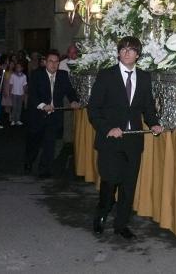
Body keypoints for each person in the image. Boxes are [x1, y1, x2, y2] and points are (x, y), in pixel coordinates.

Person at [88, 36, 162, 240]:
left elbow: (147, 107)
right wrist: (108, 128)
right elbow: (93, 109)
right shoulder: (106, 76)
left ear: (137, 54)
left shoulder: (145, 77)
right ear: (118, 52)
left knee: (128, 185)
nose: (126, 52)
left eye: (130, 50)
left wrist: (153, 123)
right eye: (123, 49)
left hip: (133, 140)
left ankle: (121, 224)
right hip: (110, 140)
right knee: (110, 182)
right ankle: (101, 214)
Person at [25, 49, 79, 178]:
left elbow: (70, 92)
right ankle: (28, 160)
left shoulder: (63, 75)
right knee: (34, 143)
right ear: (45, 62)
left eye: (56, 62)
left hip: (54, 116)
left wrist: (74, 101)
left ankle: (44, 170)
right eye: (51, 61)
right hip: (37, 115)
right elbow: (32, 94)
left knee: (50, 143)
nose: (53, 64)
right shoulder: (37, 74)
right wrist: (43, 106)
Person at [9, 61, 27, 126]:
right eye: (17, 67)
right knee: (14, 107)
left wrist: (24, 94)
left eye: (19, 67)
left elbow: (24, 85)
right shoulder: (13, 75)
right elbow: (11, 84)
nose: (18, 68)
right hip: (14, 93)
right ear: (15, 68)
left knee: (19, 107)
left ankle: (18, 119)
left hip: (21, 94)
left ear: (22, 68)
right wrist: (10, 93)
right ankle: (13, 120)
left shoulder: (24, 76)